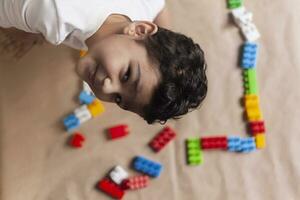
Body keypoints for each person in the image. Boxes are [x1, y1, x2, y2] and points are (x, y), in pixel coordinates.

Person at [0, 0, 208, 124]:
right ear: (140, 30)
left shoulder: (143, 11)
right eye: (126, 75)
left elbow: (160, 7)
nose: (106, 87)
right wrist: (22, 33)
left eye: (118, 99)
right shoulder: (53, 16)